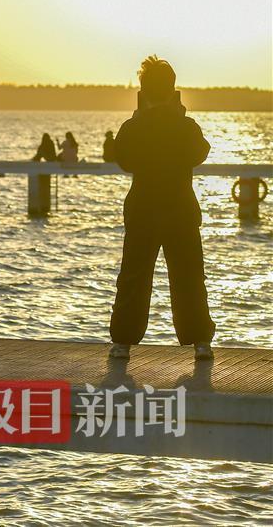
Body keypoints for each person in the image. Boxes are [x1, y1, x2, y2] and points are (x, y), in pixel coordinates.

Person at [108, 56, 215, 360]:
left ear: (144, 90)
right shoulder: (185, 126)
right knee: (189, 276)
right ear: (172, 90)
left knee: (133, 275)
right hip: (180, 207)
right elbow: (200, 153)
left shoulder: (134, 126)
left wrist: (141, 118)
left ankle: (122, 342)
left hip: (142, 207)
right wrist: (178, 116)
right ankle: (200, 341)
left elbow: (124, 159)